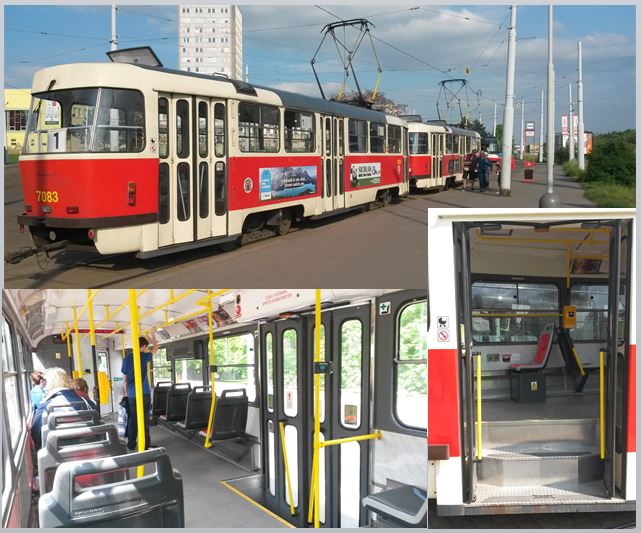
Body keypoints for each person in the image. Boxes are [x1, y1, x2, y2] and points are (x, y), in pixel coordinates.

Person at [31, 367, 97, 449]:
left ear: (49, 384)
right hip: (89, 447)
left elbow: (37, 435)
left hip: (58, 454)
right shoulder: (88, 402)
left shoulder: (45, 407)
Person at [122, 331, 157, 451]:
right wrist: (153, 336)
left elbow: (125, 380)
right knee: (145, 418)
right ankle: (145, 444)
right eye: (146, 346)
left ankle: (131, 444)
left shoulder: (126, 358)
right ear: (144, 346)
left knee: (133, 419)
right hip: (144, 393)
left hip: (132, 394)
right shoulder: (144, 356)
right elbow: (156, 348)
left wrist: (126, 394)